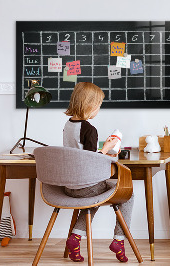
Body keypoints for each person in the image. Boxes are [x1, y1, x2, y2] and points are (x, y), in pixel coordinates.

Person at [63, 82, 133, 263]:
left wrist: (102, 149)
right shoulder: (89, 129)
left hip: (69, 186)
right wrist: (108, 148)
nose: (98, 109)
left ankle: (75, 238)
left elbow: (80, 154)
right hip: (86, 186)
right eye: (99, 105)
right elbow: (91, 161)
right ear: (90, 105)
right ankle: (119, 240)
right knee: (128, 194)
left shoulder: (68, 125)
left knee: (93, 197)